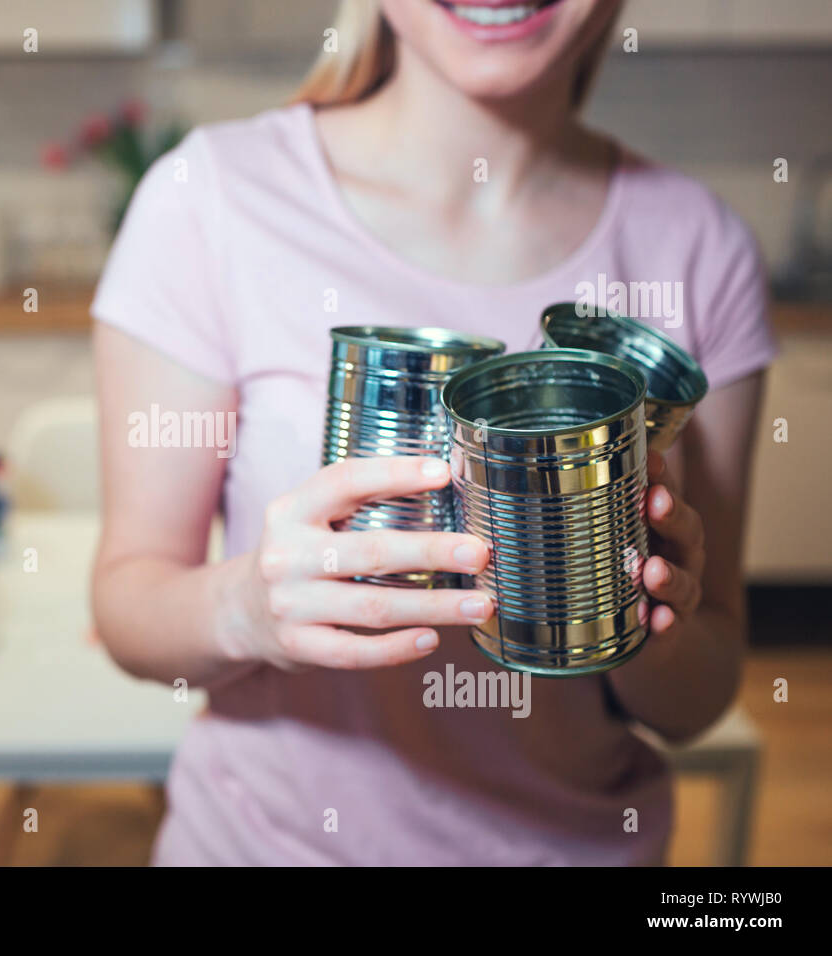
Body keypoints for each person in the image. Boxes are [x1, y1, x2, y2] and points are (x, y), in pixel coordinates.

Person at [90, 0, 775, 865]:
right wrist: (249, 611)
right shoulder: (208, 199)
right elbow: (127, 605)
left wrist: (629, 616)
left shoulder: (700, 246)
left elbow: (700, 696)